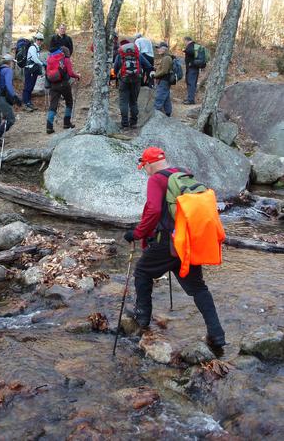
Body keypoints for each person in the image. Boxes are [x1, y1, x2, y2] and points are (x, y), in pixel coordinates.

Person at [123, 146, 226, 349]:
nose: (145, 171)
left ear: (150, 164)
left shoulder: (156, 179)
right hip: (185, 242)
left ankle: (141, 318)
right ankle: (217, 334)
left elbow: (153, 210)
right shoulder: (181, 174)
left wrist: (137, 234)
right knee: (198, 288)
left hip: (166, 243)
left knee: (142, 271)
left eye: (145, 166)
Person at [114, 41, 153, 129]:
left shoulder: (120, 55)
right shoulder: (138, 55)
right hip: (136, 81)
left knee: (124, 102)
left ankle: (124, 124)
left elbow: (115, 68)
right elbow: (148, 65)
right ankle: (133, 122)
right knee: (133, 101)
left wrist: (117, 76)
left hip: (123, 81)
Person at [0, 53, 21, 153]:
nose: (12, 64)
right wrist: (14, 96)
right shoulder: (7, 70)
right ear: (10, 62)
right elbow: (8, 85)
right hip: (0, 98)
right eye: (12, 62)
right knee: (10, 119)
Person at [46, 46, 80, 134]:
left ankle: (49, 127)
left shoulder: (52, 59)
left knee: (53, 105)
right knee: (69, 102)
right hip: (64, 84)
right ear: (67, 53)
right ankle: (66, 123)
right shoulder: (66, 60)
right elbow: (70, 73)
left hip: (53, 84)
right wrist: (78, 76)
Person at [22, 32, 45, 112]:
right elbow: (35, 59)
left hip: (33, 70)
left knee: (31, 86)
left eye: (41, 40)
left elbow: (37, 59)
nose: (39, 41)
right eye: (38, 39)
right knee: (28, 86)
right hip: (29, 69)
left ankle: (29, 102)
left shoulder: (37, 48)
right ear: (35, 39)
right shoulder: (32, 48)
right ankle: (25, 103)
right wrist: (43, 64)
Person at [150, 42, 173, 117]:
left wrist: (155, 75)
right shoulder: (166, 57)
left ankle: (154, 116)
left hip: (164, 80)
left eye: (159, 48)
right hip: (165, 80)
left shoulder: (166, 58)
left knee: (159, 97)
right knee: (166, 97)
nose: (158, 50)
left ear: (164, 49)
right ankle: (168, 113)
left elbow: (164, 71)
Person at [183, 36, 199, 105]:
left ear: (186, 40)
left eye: (184, 41)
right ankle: (190, 98)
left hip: (192, 68)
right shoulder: (194, 45)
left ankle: (191, 100)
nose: (184, 43)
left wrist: (185, 50)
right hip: (194, 67)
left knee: (191, 83)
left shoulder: (191, 45)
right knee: (191, 83)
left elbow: (192, 52)